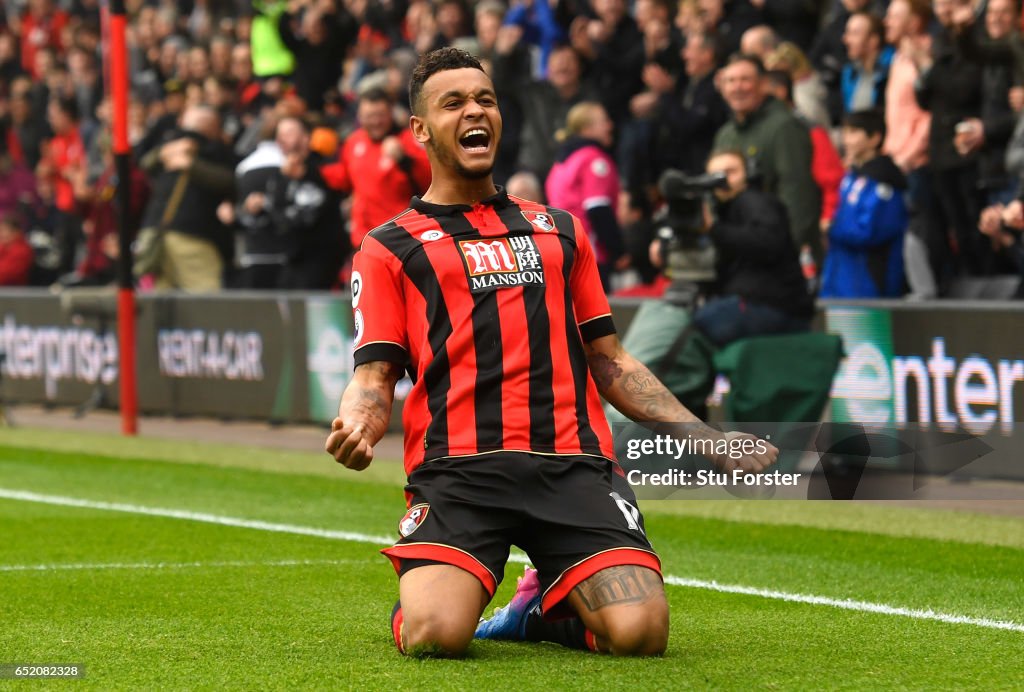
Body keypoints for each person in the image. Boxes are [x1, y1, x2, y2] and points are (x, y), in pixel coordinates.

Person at [324, 47, 777, 659]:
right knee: (436, 635)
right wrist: (360, 421)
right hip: (461, 473)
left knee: (642, 635)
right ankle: (441, 595)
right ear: (420, 130)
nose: (473, 111)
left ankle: (541, 609)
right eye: (452, 102)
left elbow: (611, 361)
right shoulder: (388, 247)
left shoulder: (559, 229)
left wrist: (710, 441)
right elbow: (374, 374)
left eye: (484, 99)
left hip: (574, 468)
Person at [712, 53, 821, 262]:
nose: (737, 87)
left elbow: (798, 195)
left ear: (763, 84)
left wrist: (789, 251)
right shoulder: (726, 133)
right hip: (741, 252)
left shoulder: (784, 126)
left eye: (745, 80)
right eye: (730, 81)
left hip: (777, 255)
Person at [321, 88, 431, 251]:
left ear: (390, 114)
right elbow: (344, 179)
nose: (375, 121)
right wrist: (313, 168)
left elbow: (430, 181)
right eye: (369, 116)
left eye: (380, 115)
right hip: (363, 240)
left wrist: (405, 160)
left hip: (401, 238)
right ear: (359, 116)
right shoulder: (353, 142)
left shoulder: (408, 140)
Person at [821, 110, 908, 298]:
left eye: (853, 132)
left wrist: (831, 228)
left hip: (868, 285)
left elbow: (869, 233)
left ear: (875, 138)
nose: (846, 140)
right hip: (840, 282)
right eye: (844, 132)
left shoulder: (884, 183)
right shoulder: (851, 177)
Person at [545, 101, 627, 289]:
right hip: (589, 253)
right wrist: (618, 251)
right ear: (587, 128)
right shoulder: (593, 159)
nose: (610, 126)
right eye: (604, 121)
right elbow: (598, 209)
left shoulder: (561, 162)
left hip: (562, 250)